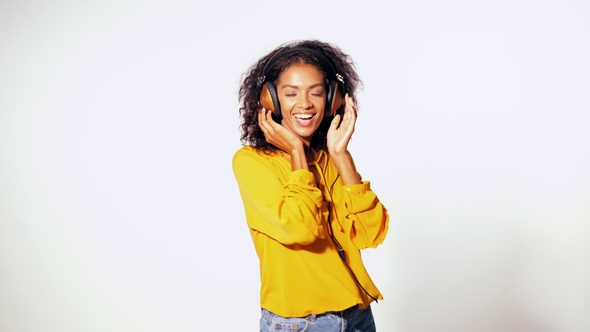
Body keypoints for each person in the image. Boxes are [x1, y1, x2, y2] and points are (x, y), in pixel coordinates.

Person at [232, 39, 390, 332]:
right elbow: (300, 229)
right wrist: (295, 151)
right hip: (301, 324)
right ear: (270, 100)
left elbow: (371, 232)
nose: (305, 104)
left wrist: (342, 156)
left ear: (333, 99)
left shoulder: (329, 159)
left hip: (357, 316)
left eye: (316, 93)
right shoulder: (251, 162)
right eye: (291, 93)